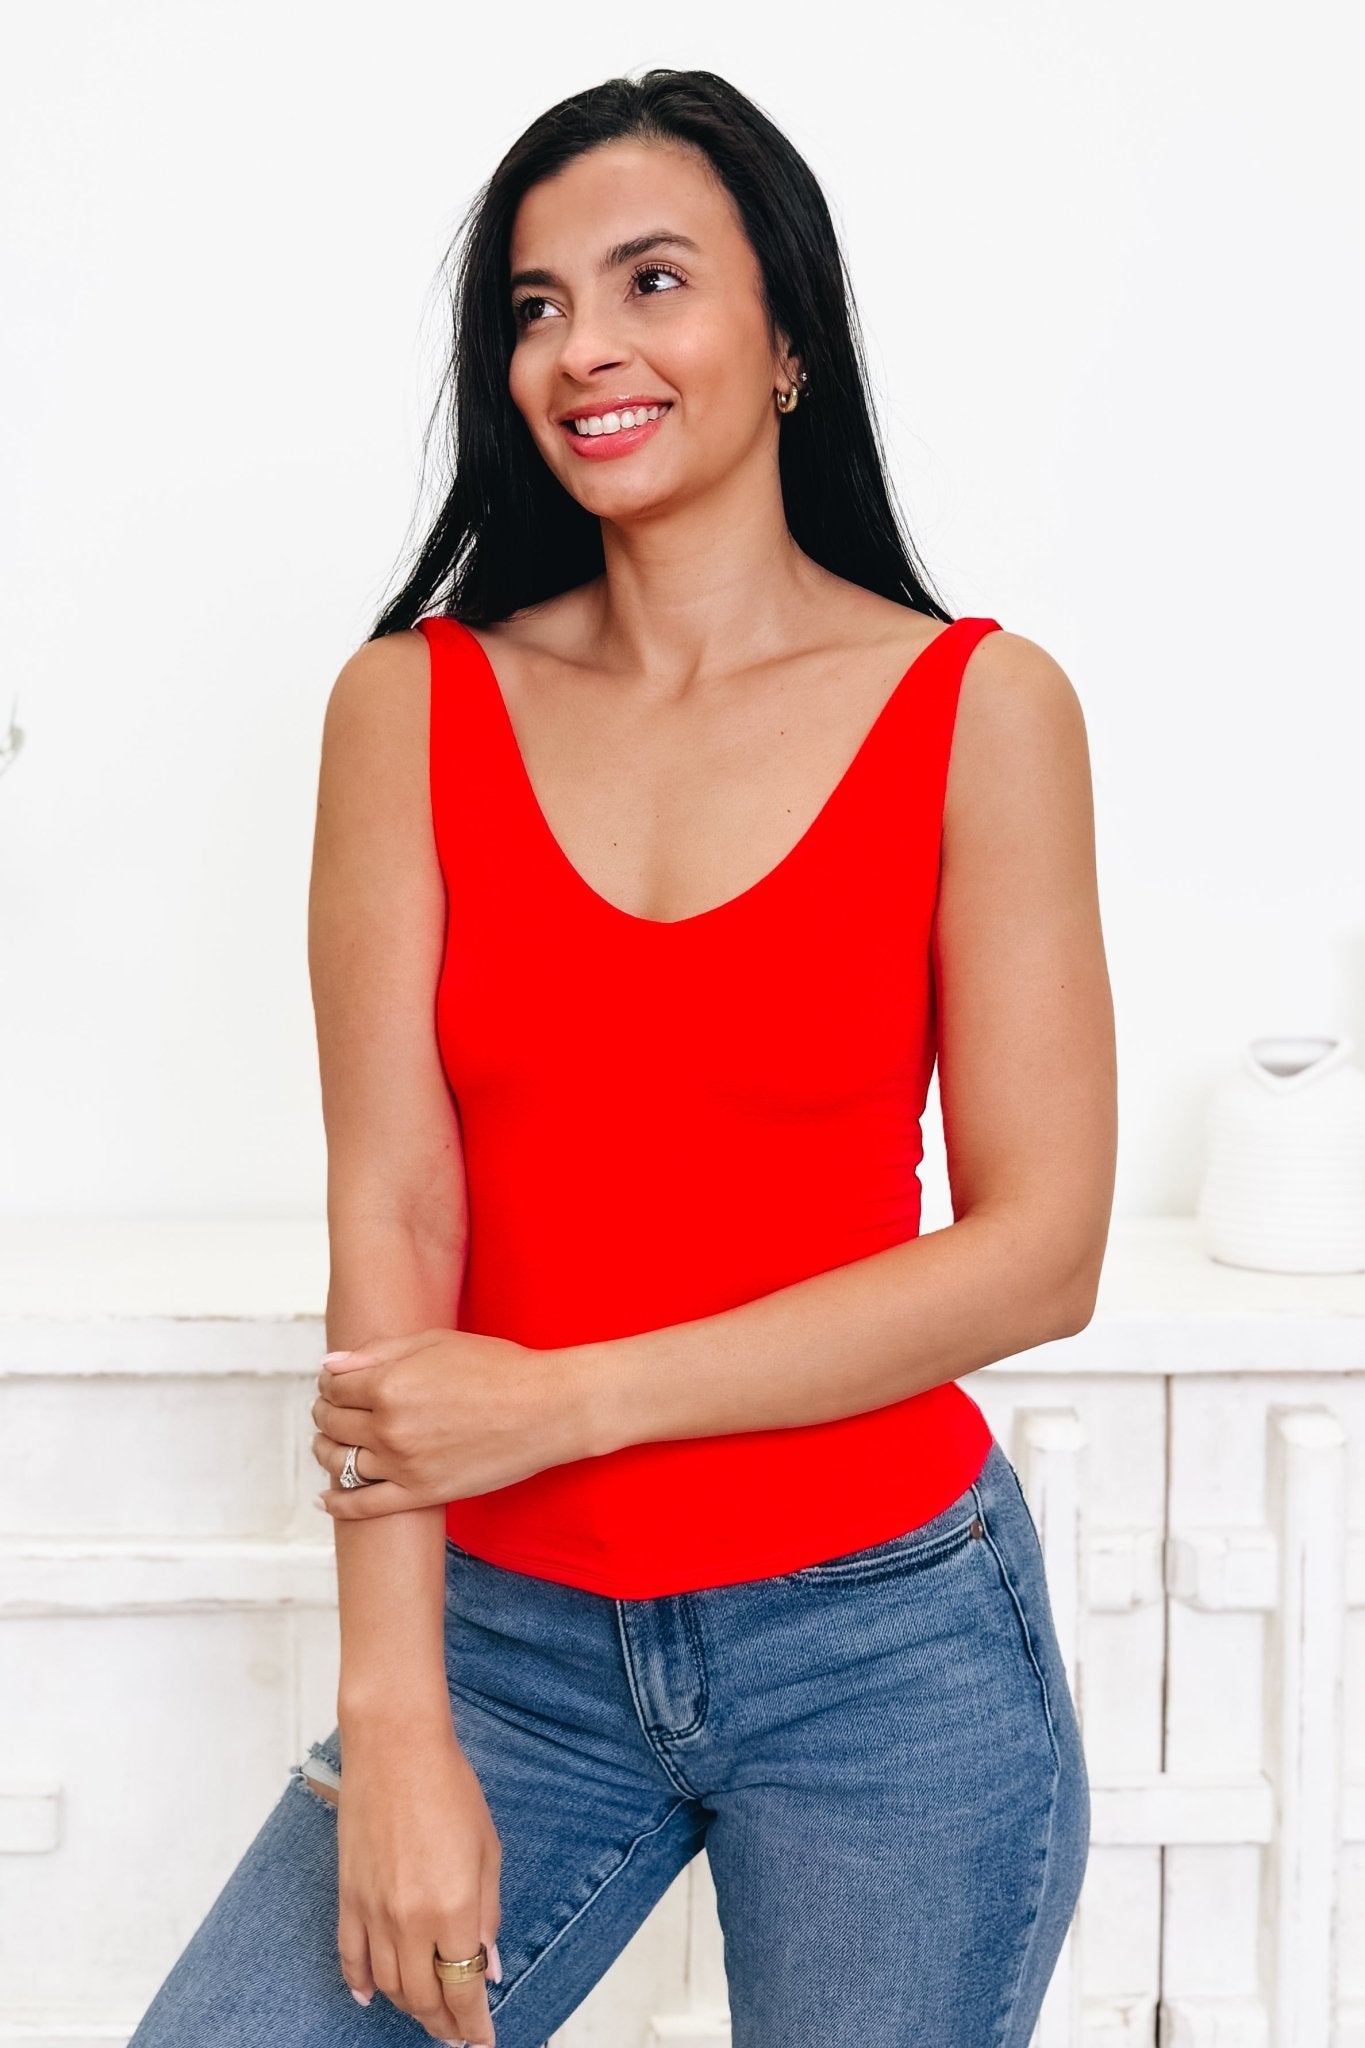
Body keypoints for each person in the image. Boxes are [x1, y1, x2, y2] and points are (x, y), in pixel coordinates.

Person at [127, 65, 1115, 2048]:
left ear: (786, 337)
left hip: (889, 1648)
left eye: (649, 280)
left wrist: (563, 1399)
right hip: (503, 1648)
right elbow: (394, 1213)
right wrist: (397, 1723)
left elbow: (1038, 1255)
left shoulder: (978, 709)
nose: (581, 346)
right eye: (534, 304)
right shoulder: (408, 708)